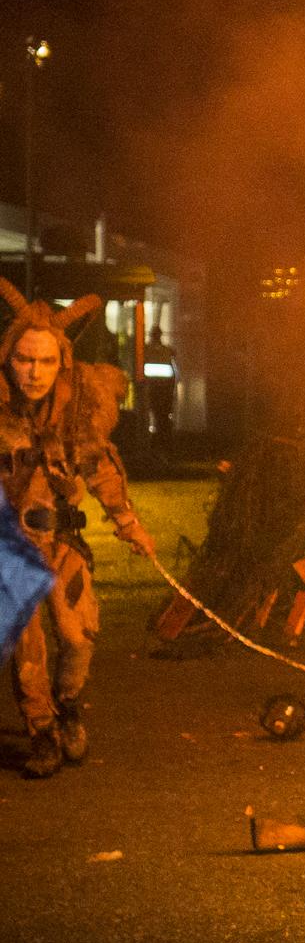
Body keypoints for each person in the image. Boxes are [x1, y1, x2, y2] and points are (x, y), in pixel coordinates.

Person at [0, 282, 156, 778]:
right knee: (28, 649)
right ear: (8, 358)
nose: (34, 372)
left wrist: (128, 522)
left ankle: (67, 707)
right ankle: (42, 732)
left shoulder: (79, 408)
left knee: (77, 637)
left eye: (46, 361)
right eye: (25, 360)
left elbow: (101, 467)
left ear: (62, 362)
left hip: (63, 539)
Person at [144, 323, 179, 451]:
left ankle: (156, 444)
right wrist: (172, 390)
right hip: (165, 391)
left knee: (155, 416)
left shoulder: (146, 350)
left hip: (152, 390)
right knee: (163, 418)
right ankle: (165, 444)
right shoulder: (168, 351)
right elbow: (174, 374)